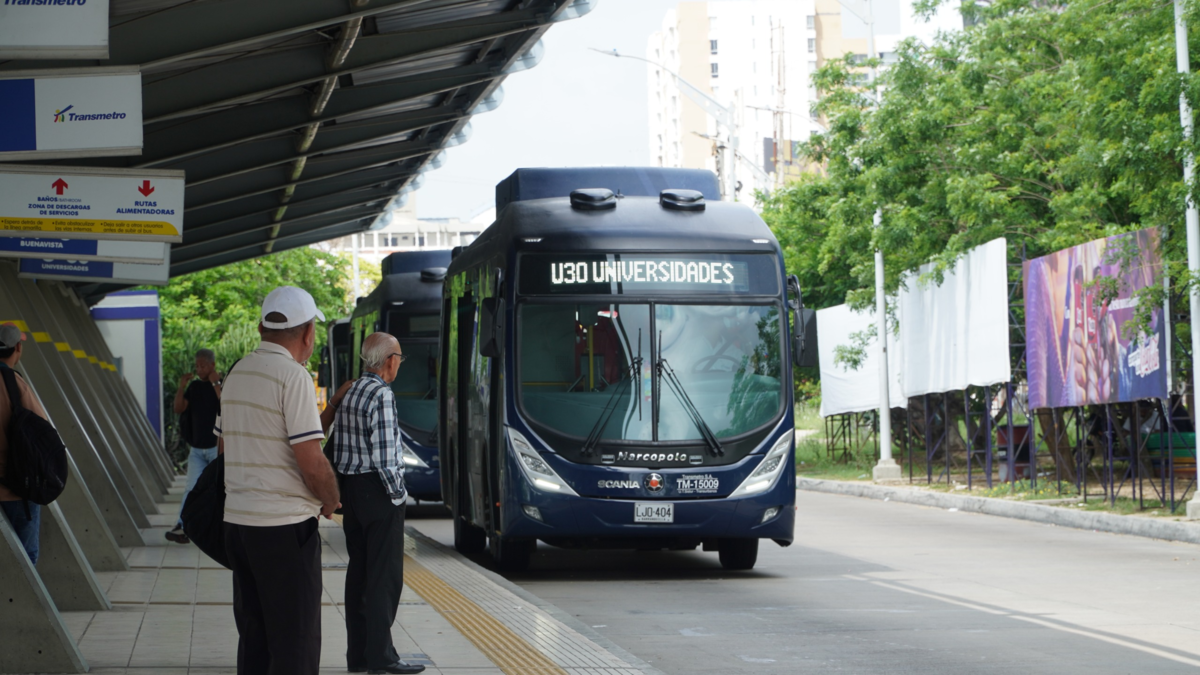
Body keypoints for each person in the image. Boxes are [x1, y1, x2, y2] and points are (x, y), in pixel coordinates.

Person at [217, 287, 344, 675]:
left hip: (239, 525)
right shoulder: (293, 377)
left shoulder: (237, 372)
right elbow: (311, 460)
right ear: (307, 333)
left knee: (255, 639)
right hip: (283, 529)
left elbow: (223, 449)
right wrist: (330, 500)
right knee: (295, 642)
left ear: (262, 327)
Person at [330, 332, 424, 675]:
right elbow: (386, 457)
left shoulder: (352, 390)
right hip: (377, 492)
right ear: (389, 361)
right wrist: (398, 496)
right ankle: (382, 658)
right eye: (399, 356)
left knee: (360, 575)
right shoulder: (382, 394)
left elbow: (339, 445)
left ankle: (359, 656)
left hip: (353, 492)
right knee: (384, 579)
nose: (399, 362)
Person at [0, 322, 50, 564]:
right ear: (17, 348)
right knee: (25, 557)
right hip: (16, 489)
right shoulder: (14, 384)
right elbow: (43, 429)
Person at [166, 348, 222, 544]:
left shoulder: (221, 384)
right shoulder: (195, 387)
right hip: (197, 449)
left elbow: (225, 403)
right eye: (197, 366)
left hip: (216, 447)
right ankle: (182, 526)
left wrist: (216, 381)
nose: (199, 369)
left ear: (212, 365)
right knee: (190, 488)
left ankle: (218, 528)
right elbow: (178, 408)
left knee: (218, 488)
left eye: (203, 365)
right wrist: (182, 386)